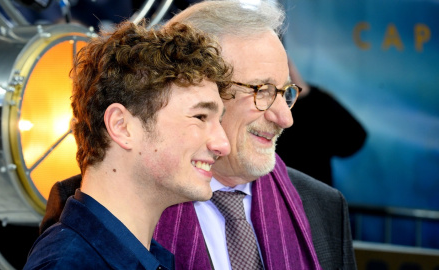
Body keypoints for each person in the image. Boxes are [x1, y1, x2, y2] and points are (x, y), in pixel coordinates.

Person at [39, 1, 357, 269]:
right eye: (262, 91)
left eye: (286, 92)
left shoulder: (322, 208)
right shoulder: (92, 210)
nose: (285, 119)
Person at [24, 20, 233, 269]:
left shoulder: (138, 256)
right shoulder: (69, 263)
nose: (223, 145)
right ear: (121, 126)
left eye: (218, 121)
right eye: (200, 117)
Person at [276, 60, 367, 186]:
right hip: (271, 195)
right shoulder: (262, 106)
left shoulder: (317, 103)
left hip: (314, 196)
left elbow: (354, 139)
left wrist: (304, 93)